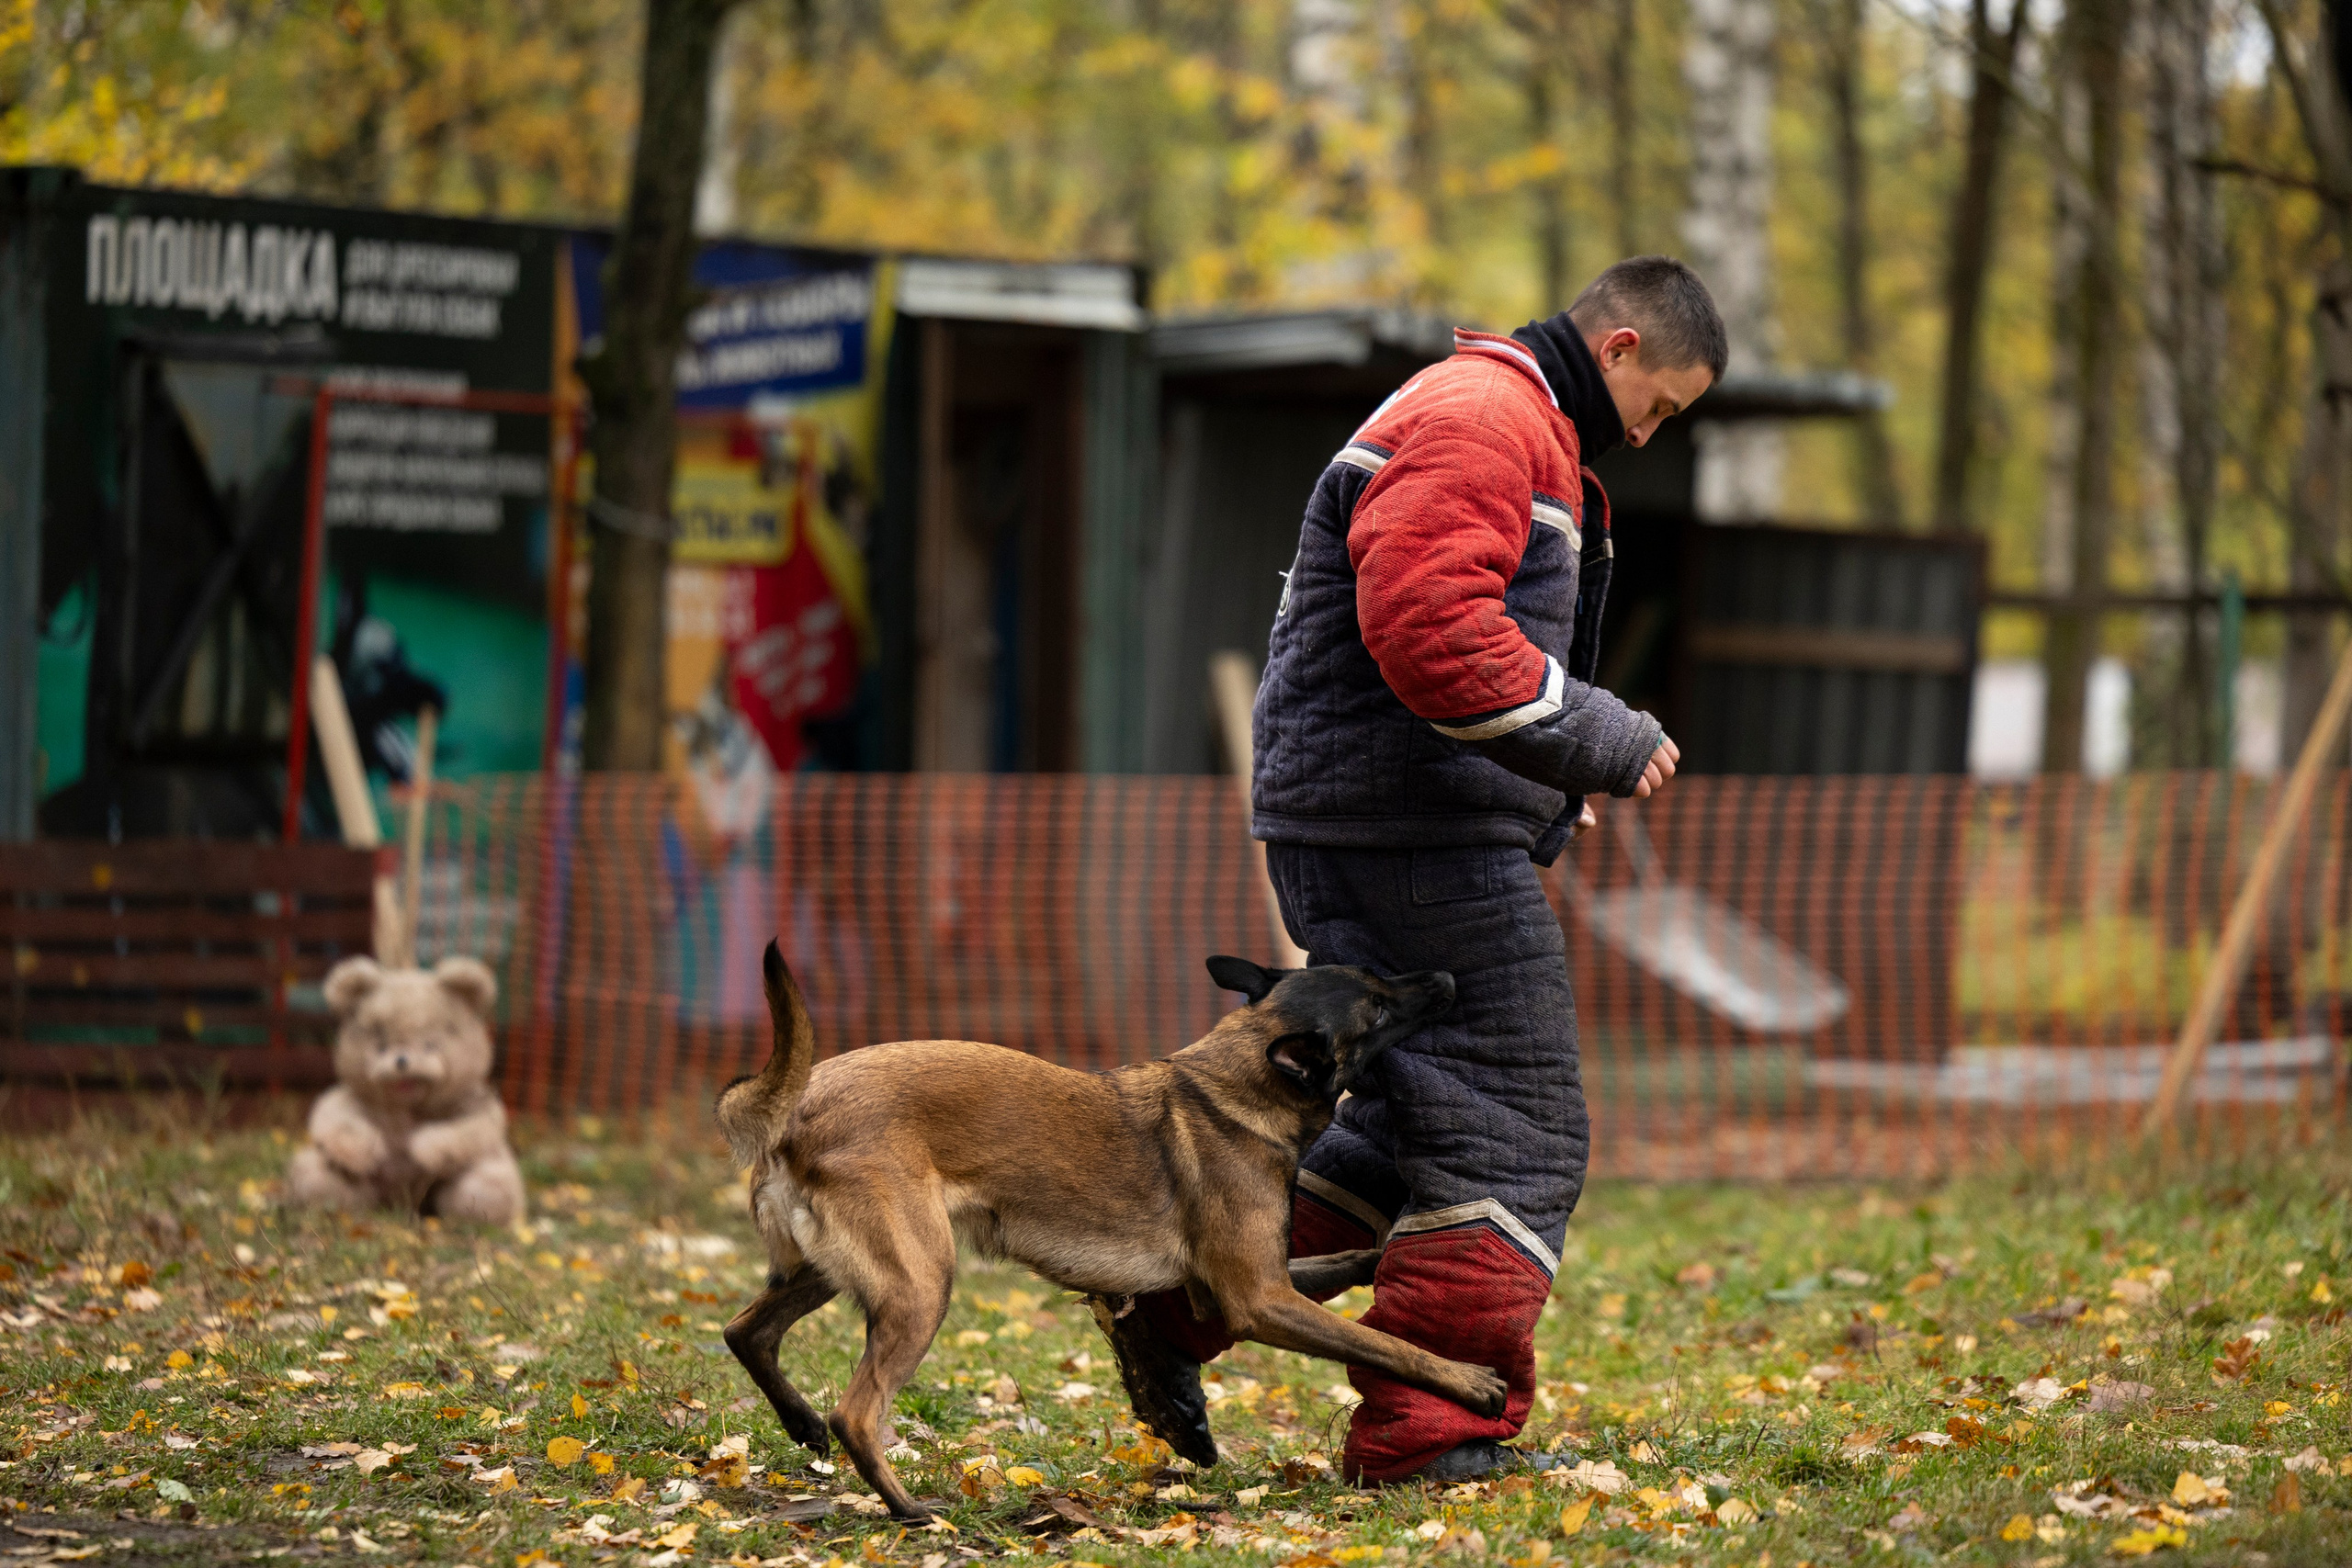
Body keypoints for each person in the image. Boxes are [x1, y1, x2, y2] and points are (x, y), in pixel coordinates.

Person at [1114, 256, 1724, 1484]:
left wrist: (1537, 776)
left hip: (1386, 819)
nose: (1650, 438)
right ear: (1615, 353)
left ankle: (1175, 1303)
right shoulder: (1485, 420)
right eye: (1659, 406)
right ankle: (1428, 1437)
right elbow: (1435, 631)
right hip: (1401, 836)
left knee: (1414, 1123)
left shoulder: (1496, 420)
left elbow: (1445, 653)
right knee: (1513, 1132)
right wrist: (1600, 737)